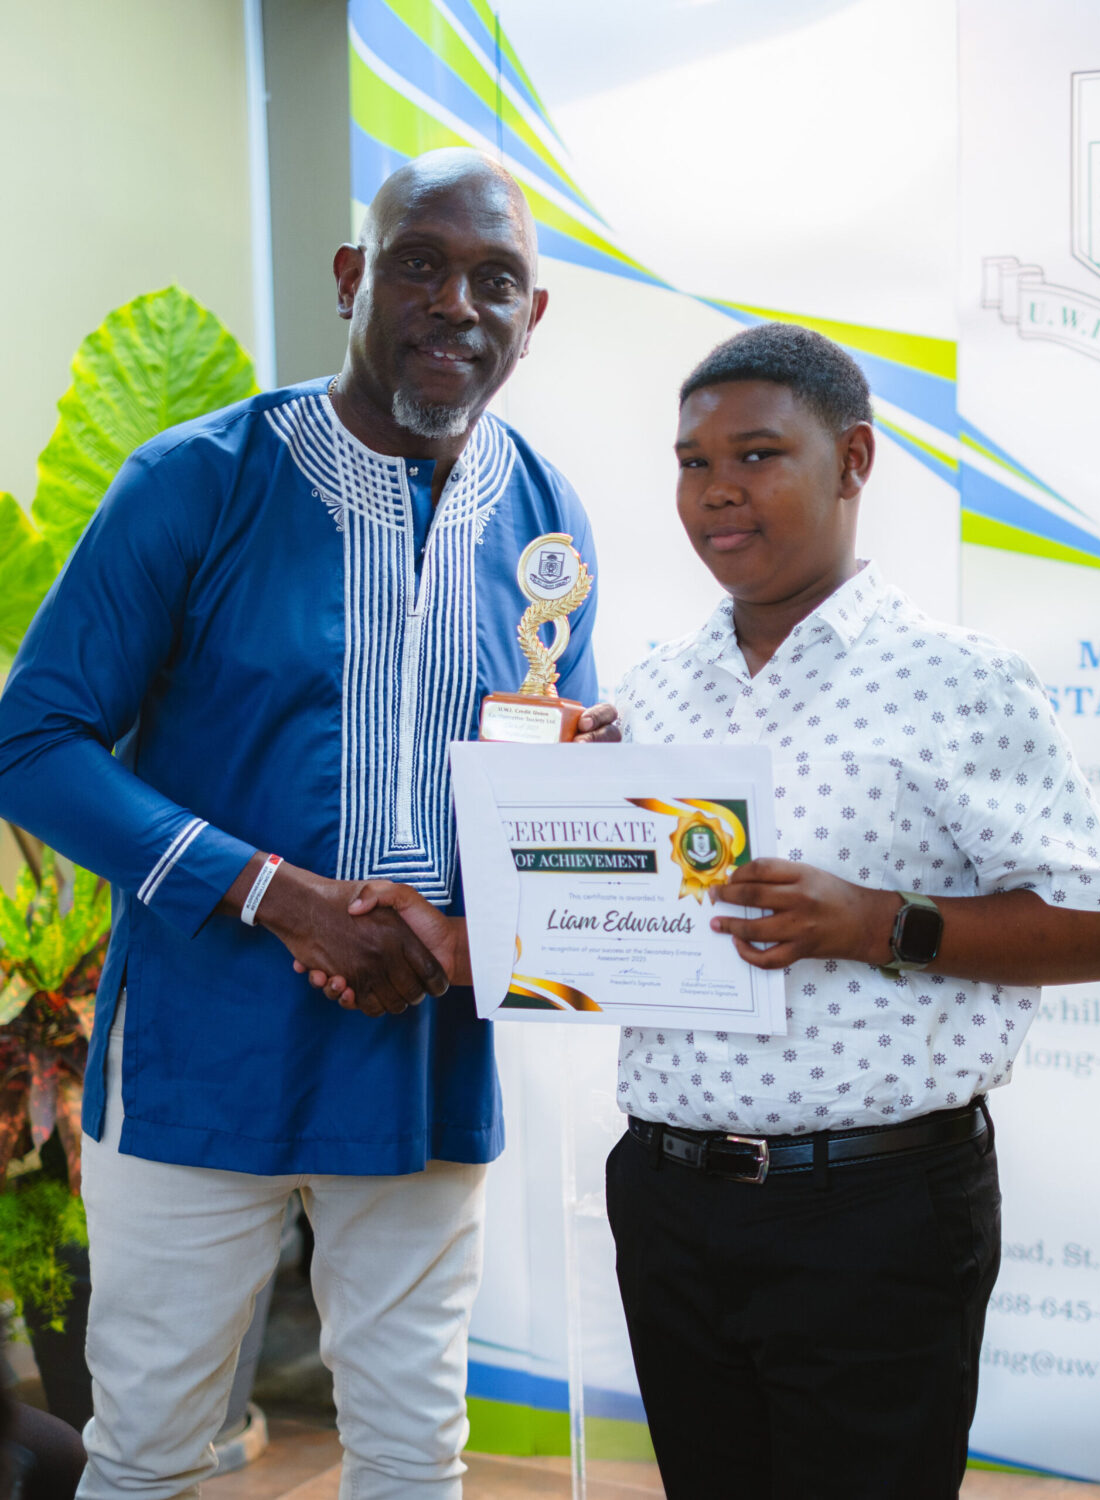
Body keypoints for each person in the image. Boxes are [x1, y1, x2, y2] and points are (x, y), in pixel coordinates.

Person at [0, 148, 612, 1500]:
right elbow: (30, 742)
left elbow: (536, 787)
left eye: (495, 281)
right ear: (351, 278)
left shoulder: (546, 517)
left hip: (423, 1055)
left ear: (533, 316)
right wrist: (280, 896)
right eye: (420, 265)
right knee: (150, 1445)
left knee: (414, 1445)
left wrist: (569, 815)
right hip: (202, 1050)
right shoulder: (200, 479)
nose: (456, 304)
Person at [598, 324, 1100, 1498]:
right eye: (693, 463)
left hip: (873, 1215)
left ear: (853, 460)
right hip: (667, 1197)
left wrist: (876, 923)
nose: (717, 491)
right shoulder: (646, 695)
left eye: (757, 456)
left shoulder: (957, 678)